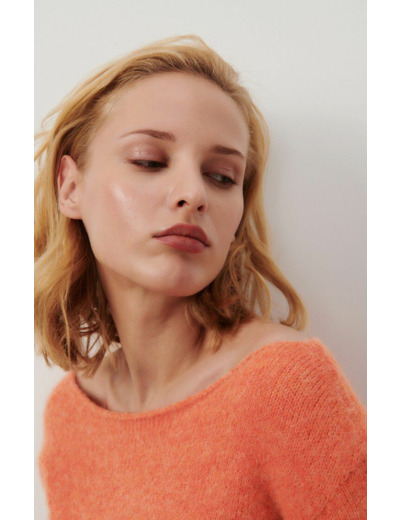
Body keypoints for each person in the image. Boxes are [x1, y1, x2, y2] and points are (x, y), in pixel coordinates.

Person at [35, 35, 366, 519]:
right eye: (149, 160)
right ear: (70, 187)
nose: (193, 193)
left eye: (222, 177)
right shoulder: (69, 414)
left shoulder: (286, 385)